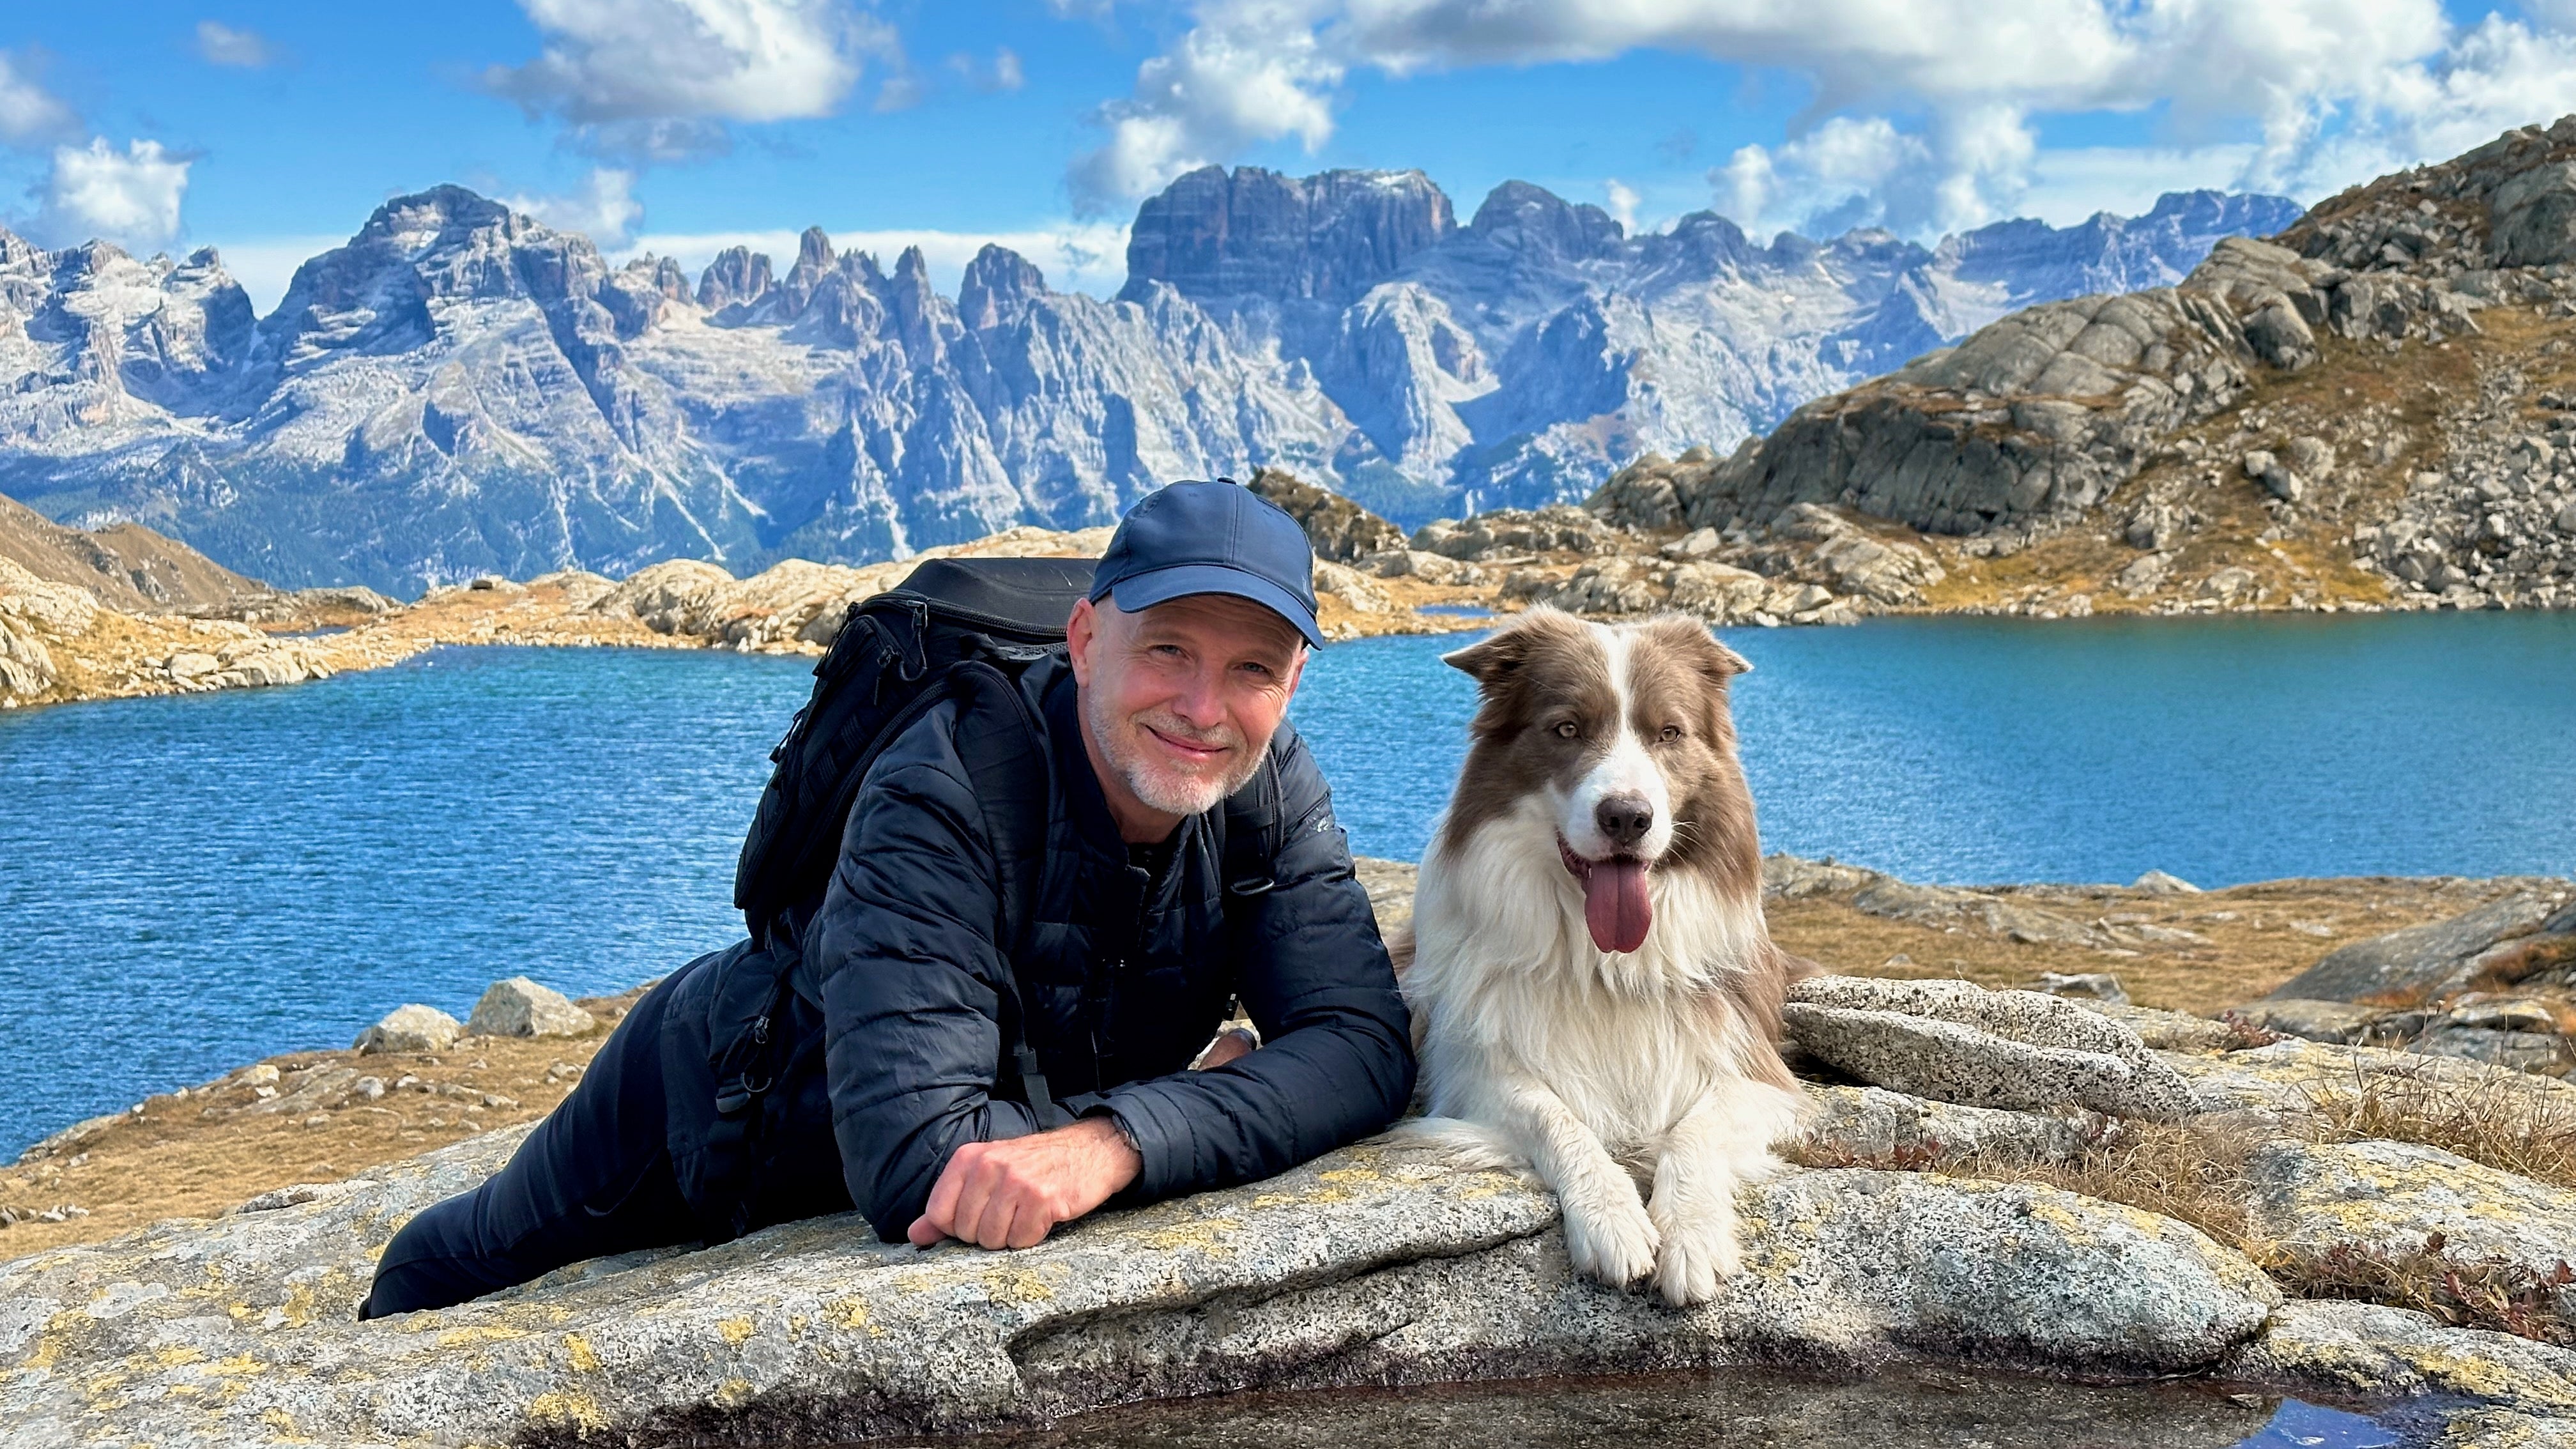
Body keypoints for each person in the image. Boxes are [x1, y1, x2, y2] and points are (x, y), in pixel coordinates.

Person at [360, 480, 1415, 1317]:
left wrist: (1123, 1137)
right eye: (1170, 650)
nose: (1203, 707)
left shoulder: (1270, 786)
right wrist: (1194, 1102)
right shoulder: (944, 784)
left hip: (926, 1113)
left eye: (1251, 670)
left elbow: (1364, 1047)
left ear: (1291, 685)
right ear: (1087, 640)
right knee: (451, 1260)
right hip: (706, 1102)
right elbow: (920, 1164)